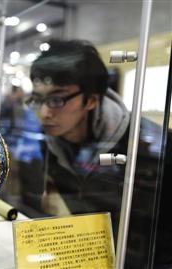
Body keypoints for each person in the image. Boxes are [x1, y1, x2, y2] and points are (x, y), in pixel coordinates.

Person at [26, 39, 171, 268]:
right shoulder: (53, 140)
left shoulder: (153, 147)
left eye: (56, 99)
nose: (44, 113)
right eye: (37, 98)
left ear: (92, 100)